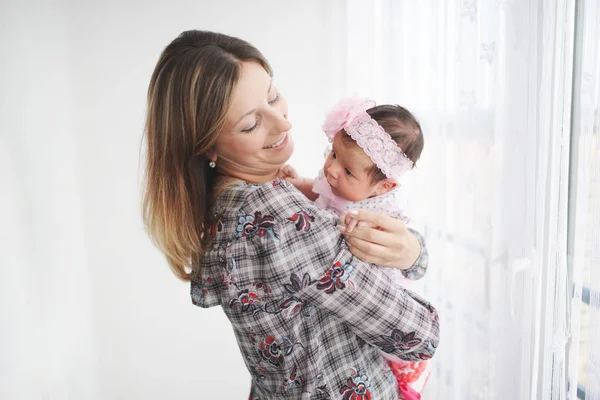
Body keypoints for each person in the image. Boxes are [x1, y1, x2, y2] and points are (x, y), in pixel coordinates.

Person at [142, 30, 439, 400]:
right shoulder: (281, 222)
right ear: (207, 145)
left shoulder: (226, 205)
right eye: (251, 123)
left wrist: (412, 254)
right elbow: (419, 336)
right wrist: (413, 255)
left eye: (273, 96)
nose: (283, 124)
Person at [278, 97, 430, 399]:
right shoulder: (338, 180)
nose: (332, 169)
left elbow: (393, 247)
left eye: (348, 171)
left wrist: (357, 226)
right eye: (333, 153)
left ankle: (405, 383)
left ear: (383, 186)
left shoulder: (383, 209)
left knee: (390, 356)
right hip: (336, 307)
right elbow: (320, 189)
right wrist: (297, 184)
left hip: (377, 292)